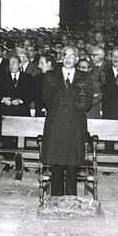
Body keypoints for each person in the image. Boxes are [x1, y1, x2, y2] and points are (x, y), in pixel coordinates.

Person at [41, 46, 93, 197]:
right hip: (56, 125)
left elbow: (87, 103)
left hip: (75, 127)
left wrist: (71, 104)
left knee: (72, 166)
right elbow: (47, 100)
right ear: (60, 57)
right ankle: (55, 200)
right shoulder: (51, 76)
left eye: (72, 56)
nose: (68, 58)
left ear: (77, 59)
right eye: (65, 55)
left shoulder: (85, 77)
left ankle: (71, 200)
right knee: (56, 166)